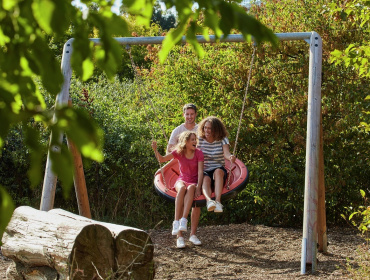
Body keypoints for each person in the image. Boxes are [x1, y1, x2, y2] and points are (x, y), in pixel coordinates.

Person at [152, 131, 204, 248]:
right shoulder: (179, 152)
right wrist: (155, 150)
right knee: (182, 189)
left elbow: (200, 172)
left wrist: (198, 187)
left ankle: (184, 220)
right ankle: (176, 222)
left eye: (195, 139)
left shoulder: (199, 153)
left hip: (193, 181)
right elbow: (162, 159)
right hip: (181, 180)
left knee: (190, 188)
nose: (195, 142)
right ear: (185, 142)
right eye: (192, 140)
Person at [166, 103, 203, 247]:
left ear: (195, 115)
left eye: (192, 114)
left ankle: (193, 234)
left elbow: (205, 145)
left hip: (197, 166)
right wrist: (184, 150)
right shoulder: (178, 130)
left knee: (196, 201)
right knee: (181, 196)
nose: (189, 117)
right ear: (183, 115)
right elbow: (170, 149)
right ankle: (179, 236)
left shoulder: (200, 129)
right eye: (187, 114)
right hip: (183, 167)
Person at [197, 116, 236, 213]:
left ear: (216, 130)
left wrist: (230, 157)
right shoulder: (199, 139)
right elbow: (191, 152)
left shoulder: (222, 139)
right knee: (205, 178)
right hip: (205, 169)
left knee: (218, 171)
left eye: (209, 128)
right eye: (205, 127)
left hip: (218, 168)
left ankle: (218, 202)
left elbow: (226, 153)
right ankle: (209, 201)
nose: (207, 130)